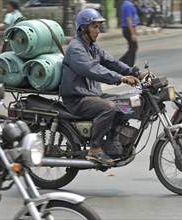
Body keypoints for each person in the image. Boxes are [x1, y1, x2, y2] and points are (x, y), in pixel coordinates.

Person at [60, 8, 148, 165]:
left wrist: (135, 73)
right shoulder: (76, 49)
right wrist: (121, 78)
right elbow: (93, 69)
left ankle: (112, 141)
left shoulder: (92, 47)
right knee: (108, 107)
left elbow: (111, 62)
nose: (97, 31)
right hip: (77, 98)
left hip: (91, 95)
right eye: (94, 27)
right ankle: (94, 149)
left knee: (124, 102)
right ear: (83, 28)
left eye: (98, 27)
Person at [120, 0, 139, 67]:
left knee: (133, 48)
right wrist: (133, 33)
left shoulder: (125, 3)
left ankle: (120, 63)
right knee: (133, 49)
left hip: (127, 28)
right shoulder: (129, 5)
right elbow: (129, 19)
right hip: (128, 28)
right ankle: (129, 67)